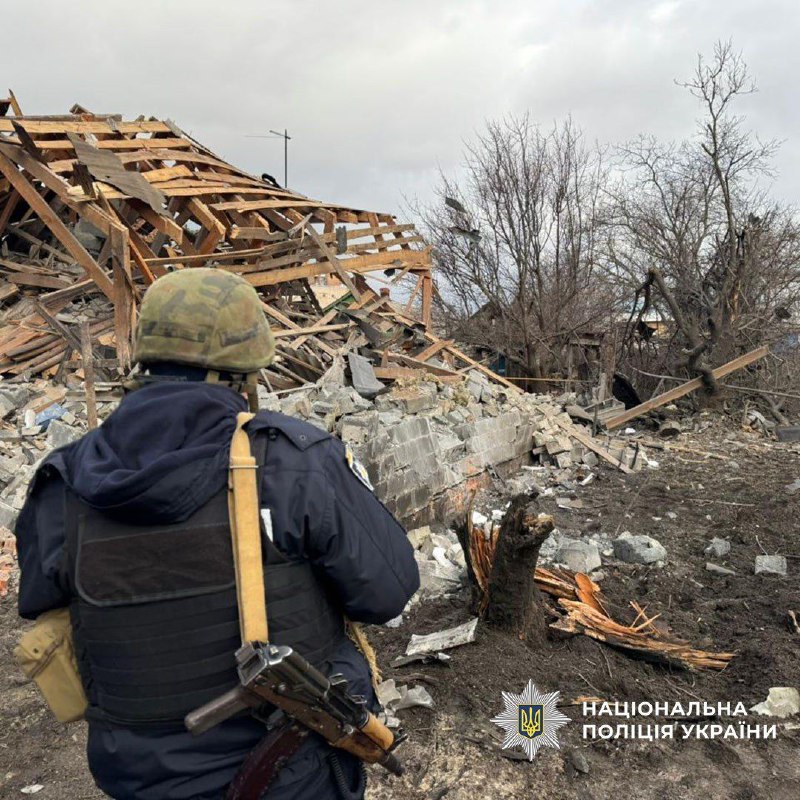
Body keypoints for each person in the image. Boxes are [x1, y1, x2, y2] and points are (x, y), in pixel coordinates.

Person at [16, 268, 419, 800]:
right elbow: (388, 592)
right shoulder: (290, 464)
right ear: (246, 369)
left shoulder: (64, 482)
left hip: (136, 776)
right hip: (287, 772)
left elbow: (44, 608)